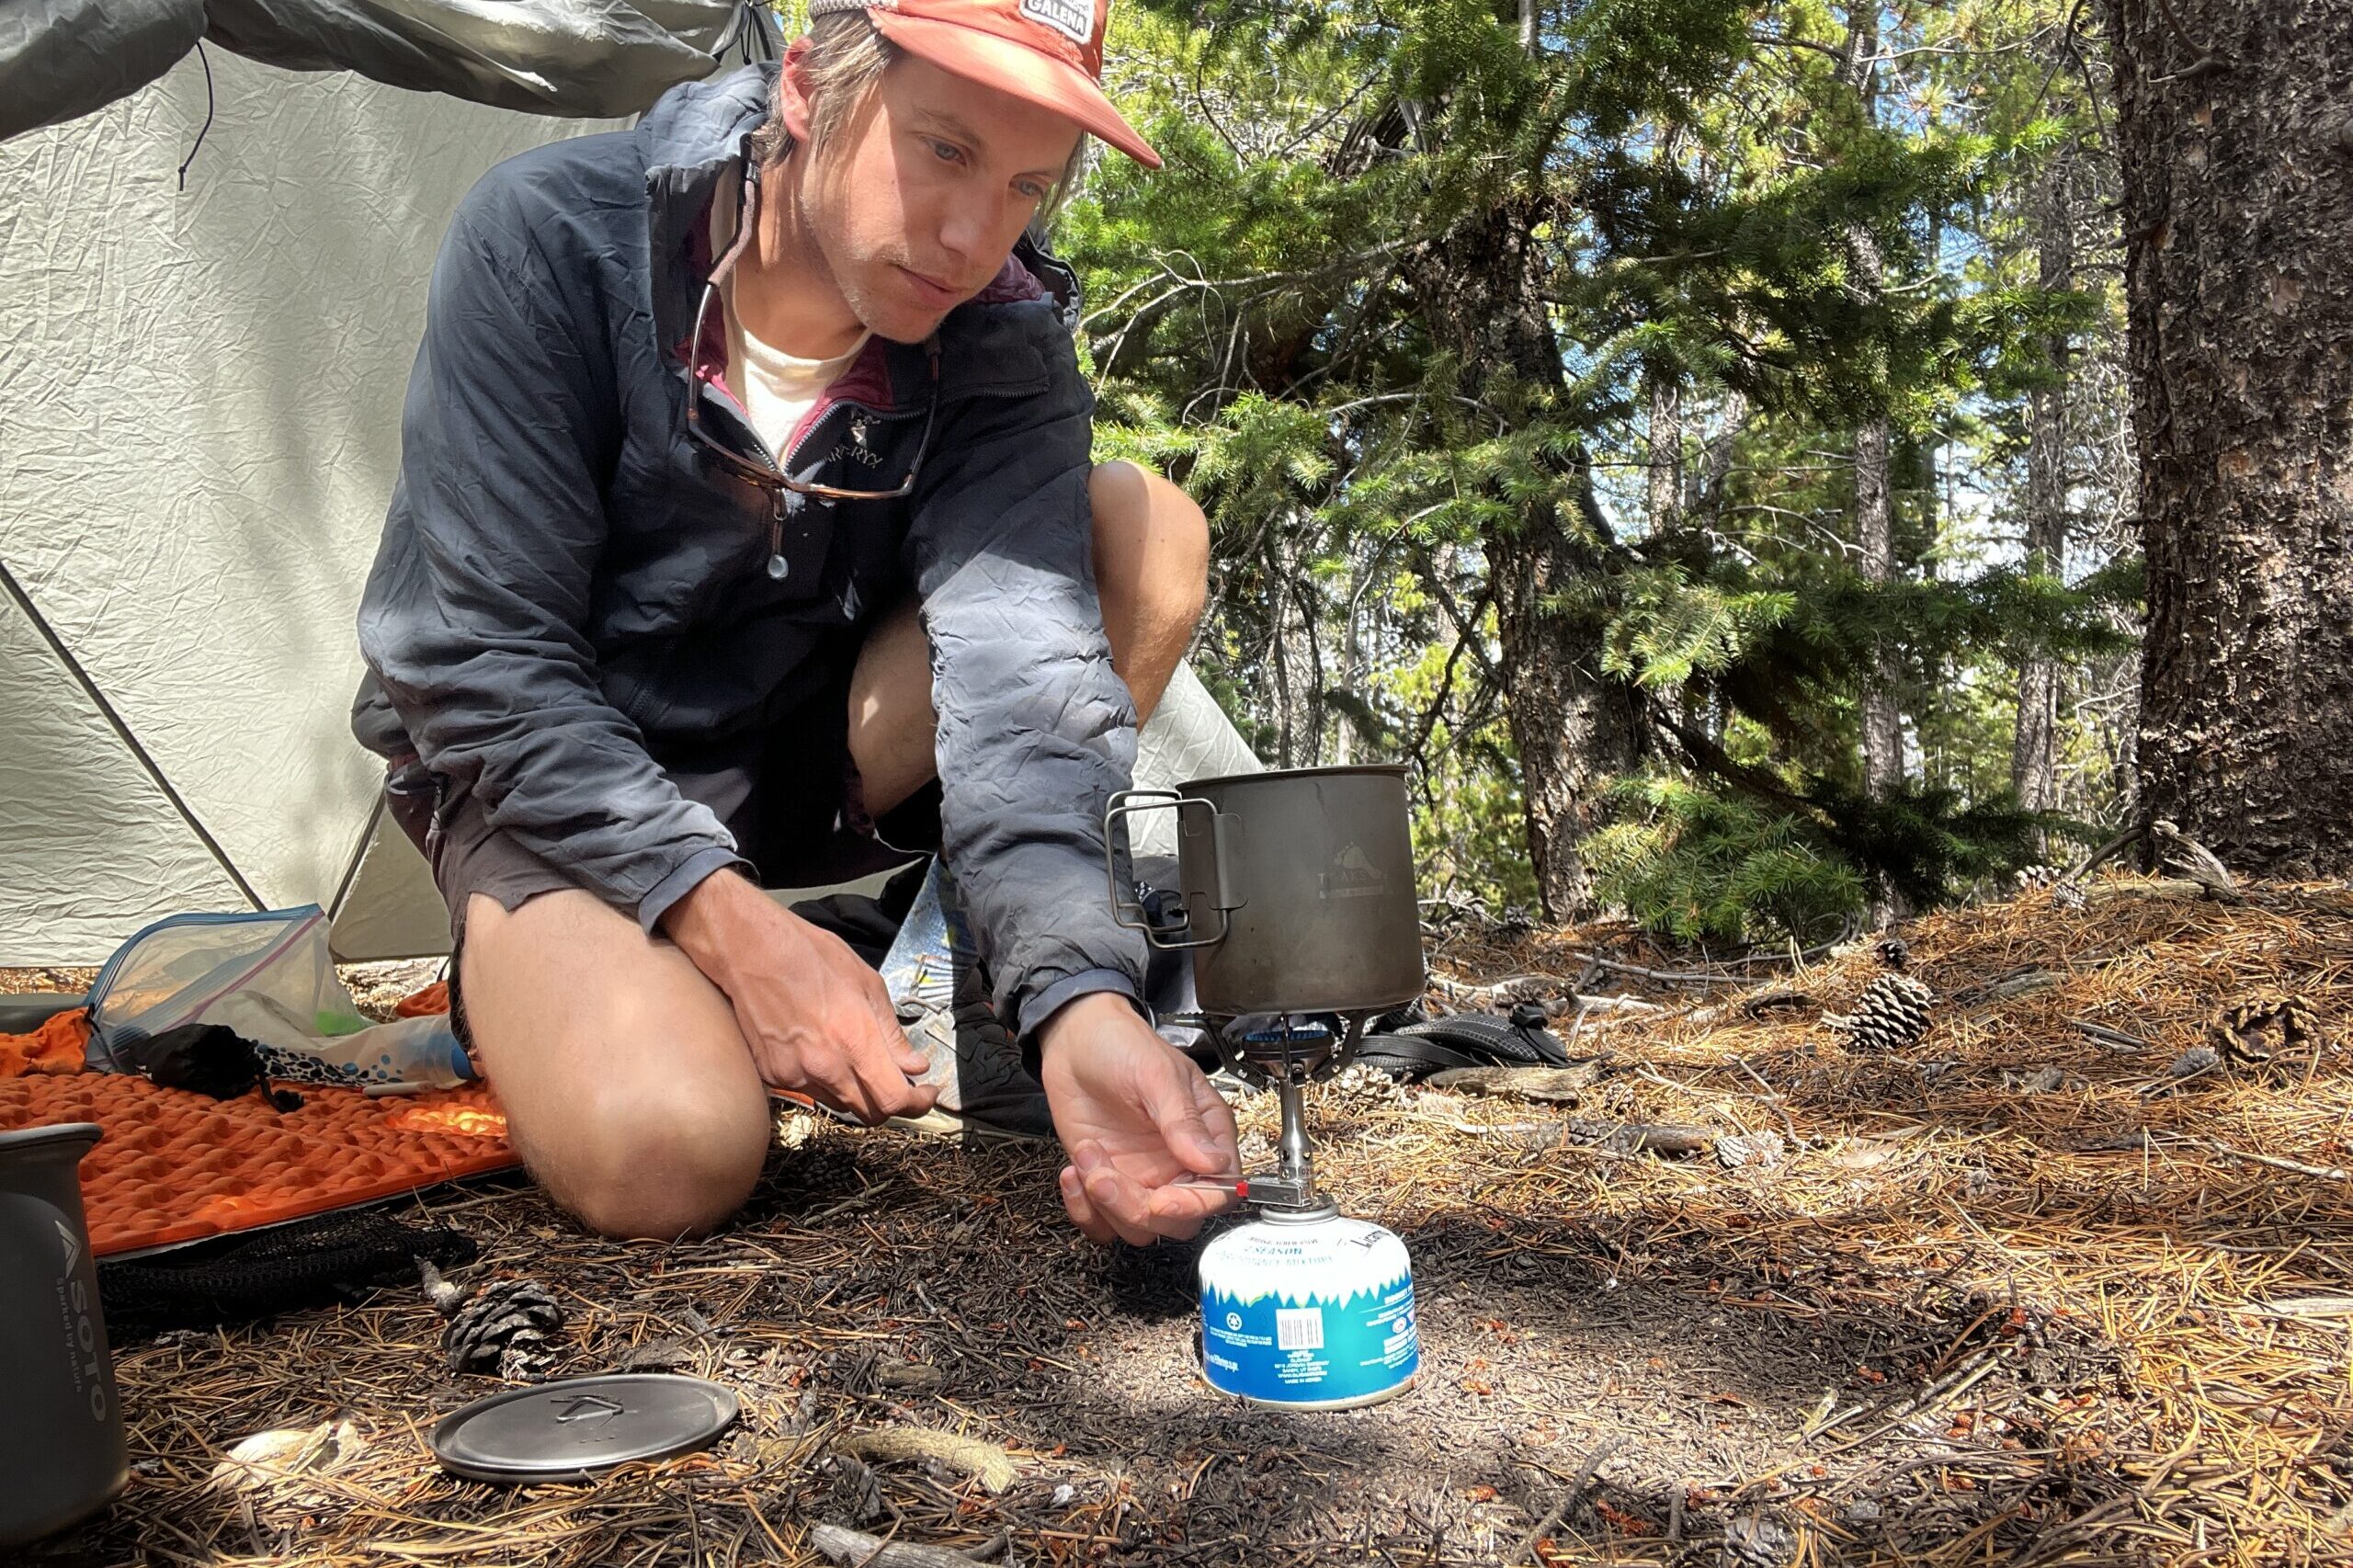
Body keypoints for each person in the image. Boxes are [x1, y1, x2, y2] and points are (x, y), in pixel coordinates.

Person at [351, 0, 1238, 1246]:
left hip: (803, 753)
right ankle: (580, 976)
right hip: (557, 787)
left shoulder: (999, 336)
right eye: (944, 150)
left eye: (1029, 185)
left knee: (1146, 536)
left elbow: (1024, 665)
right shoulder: (554, 240)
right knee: (671, 1148)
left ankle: (976, 982)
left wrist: (1084, 1002)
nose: (977, 236)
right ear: (812, 87)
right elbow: (482, 664)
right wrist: (727, 923)